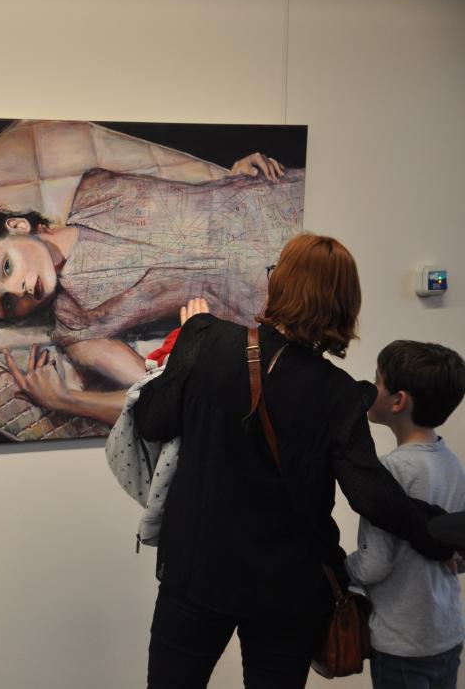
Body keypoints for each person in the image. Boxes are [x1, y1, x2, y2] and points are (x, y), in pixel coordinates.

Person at [131, 234, 453, 688]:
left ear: (278, 285)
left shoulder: (205, 338)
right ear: (345, 304)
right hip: (287, 589)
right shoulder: (338, 394)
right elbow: (371, 494)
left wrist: (186, 344)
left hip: (197, 574)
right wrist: (438, 534)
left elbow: (152, 421)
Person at [0, 152, 300, 424]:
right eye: (7, 304)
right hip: (276, 288)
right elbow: (155, 394)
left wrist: (229, 176)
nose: (21, 289)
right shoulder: (78, 331)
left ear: (16, 226)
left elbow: (185, 187)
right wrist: (64, 400)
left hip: (277, 198)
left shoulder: (94, 185)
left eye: (7, 267)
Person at [345, 341, 465, 689]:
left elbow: (374, 564)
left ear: (398, 401)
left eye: (377, 381)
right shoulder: (452, 464)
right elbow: (459, 553)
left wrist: (340, 568)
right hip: (446, 634)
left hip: (401, 643)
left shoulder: (389, 473)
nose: (371, 388)